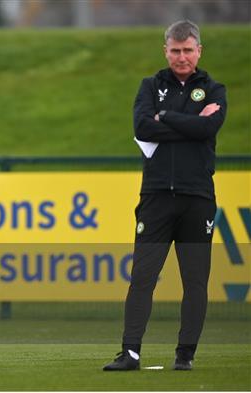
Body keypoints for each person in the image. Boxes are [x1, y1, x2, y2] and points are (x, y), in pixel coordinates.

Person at [103, 20, 226, 371]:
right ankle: (130, 353)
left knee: (195, 280)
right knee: (142, 275)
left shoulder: (215, 89)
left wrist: (168, 118)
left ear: (199, 51)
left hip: (197, 197)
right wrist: (189, 123)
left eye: (188, 50)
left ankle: (185, 354)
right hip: (156, 196)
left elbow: (208, 127)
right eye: (176, 50)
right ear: (166, 50)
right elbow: (142, 126)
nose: (182, 56)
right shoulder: (150, 86)